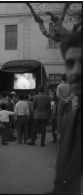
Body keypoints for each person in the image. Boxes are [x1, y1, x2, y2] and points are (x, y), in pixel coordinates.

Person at [52, 31, 81, 195]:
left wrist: (62, 100)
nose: (76, 71)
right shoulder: (71, 120)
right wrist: (68, 98)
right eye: (70, 63)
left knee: (58, 117)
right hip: (69, 102)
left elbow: (57, 96)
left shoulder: (59, 86)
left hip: (62, 101)